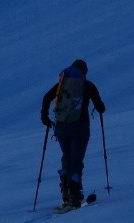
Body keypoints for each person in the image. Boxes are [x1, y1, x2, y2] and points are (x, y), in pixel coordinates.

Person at [41, 59, 105, 210]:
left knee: (67, 157)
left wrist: (44, 116)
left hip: (62, 128)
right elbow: (100, 107)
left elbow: (46, 98)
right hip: (80, 128)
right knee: (76, 160)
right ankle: (75, 196)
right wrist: (99, 108)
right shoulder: (87, 85)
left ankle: (66, 193)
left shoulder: (61, 85)